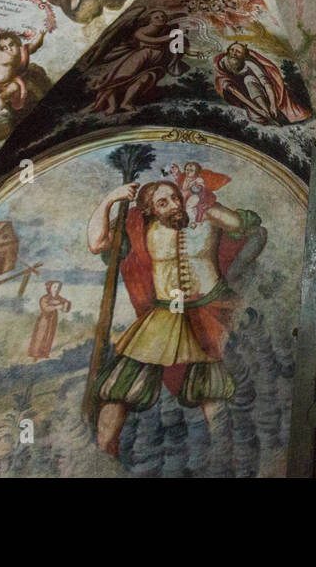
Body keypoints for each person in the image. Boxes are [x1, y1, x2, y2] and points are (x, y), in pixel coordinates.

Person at [88, 180, 266, 456]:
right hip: (164, 314)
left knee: (211, 388)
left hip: (210, 310)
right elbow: (96, 243)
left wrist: (208, 205)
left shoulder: (205, 215)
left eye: (174, 197)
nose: (173, 205)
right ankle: (100, 459)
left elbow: (243, 226)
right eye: (163, 203)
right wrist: (109, 199)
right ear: (150, 210)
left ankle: (220, 460)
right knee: (121, 386)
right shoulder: (140, 230)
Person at [85, 9, 187, 114]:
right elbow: (154, 41)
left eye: (163, 16)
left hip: (153, 63)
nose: (161, 19)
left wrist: (180, 34)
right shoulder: (140, 32)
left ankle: (126, 103)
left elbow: (177, 45)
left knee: (144, 80)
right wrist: (175, 35)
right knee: (118, 80)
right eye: (156, 17)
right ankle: (112, 106)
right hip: (138, 60)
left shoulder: (168, 29)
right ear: (150, 20)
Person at [213, 41, 311, 124]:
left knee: (249, 79)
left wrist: (272, 105)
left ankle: (271, 115)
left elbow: (266, 83)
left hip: (262, 94)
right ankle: (267, 115)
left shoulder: (249, 64)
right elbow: (234, 92)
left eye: (238, 52)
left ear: (244, 56)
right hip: (247, 100)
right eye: (232, 50)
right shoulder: (221, 65)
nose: (234, 53)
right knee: (258, 118)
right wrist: (258, 110)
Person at [28, 281, 72, 360]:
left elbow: (65, 305)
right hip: (44, 319)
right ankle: (35, 354)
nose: (57, 289)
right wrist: (56, 307)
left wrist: (66, 304)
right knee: (40, 335)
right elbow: (45, 308)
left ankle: (45, 353)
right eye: (55, 287)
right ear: (50, 288)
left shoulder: (58, 298)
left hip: (53, 319)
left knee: (50, 335)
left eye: (58, 287)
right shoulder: (45, 298)